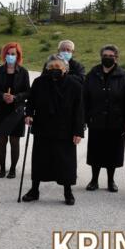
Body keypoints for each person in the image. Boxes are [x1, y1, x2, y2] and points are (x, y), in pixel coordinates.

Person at [22, 54, 84, 205]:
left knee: (66, 162)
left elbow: (80, 110)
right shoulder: (39, 82)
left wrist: (78, 131)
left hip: (65, 130)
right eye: (51, 67)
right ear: (47, 68)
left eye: (58, 67)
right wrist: (28, 114)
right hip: (43, 128)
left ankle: (68, 192)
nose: (54, 69)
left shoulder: (75, 85)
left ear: (65, 69)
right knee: (40, 160)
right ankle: (34, 190)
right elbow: (31, 101)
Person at [83, 44, 125, 192]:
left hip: (116, 121)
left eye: (111, 56)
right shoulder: (92, 74)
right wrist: (84, 118)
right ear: (101, 57)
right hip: (96, 120)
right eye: (105, 56)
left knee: (113, 152)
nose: (107, 58)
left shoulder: (124, 75)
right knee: (95, 151)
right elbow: (85, 97)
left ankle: (111, 181)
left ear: (116, 58)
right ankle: (94, 180)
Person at [0, 42, 30, 178]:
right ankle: (2, 169)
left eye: (13, 54)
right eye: (8, 53)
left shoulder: (23, 72)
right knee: (1, 140)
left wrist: (15, 97)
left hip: (16, 110)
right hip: (1, 109)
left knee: (14, 141)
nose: (10, 56)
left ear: (18, 55)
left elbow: (28, 92)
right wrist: (2, 95)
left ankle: (12, 169)